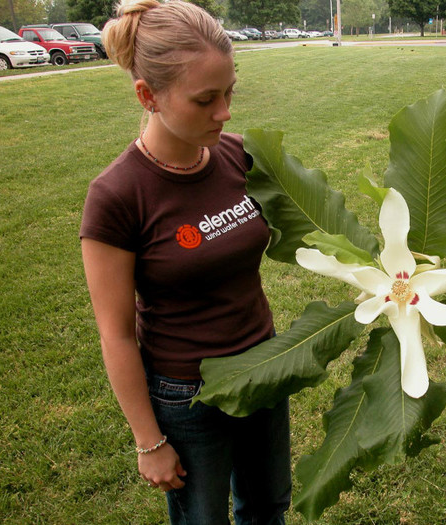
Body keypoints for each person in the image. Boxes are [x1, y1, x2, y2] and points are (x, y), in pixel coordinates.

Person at [80, 1, 291, 523]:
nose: (225, 112)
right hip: (187, 396)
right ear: (148, 96)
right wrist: (149, 442)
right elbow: (117, 334)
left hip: (262, 368)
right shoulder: (116, 195)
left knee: (268, 508)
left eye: (229, 93)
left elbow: (309, 232)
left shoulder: (240, 155)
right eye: (205, 100)